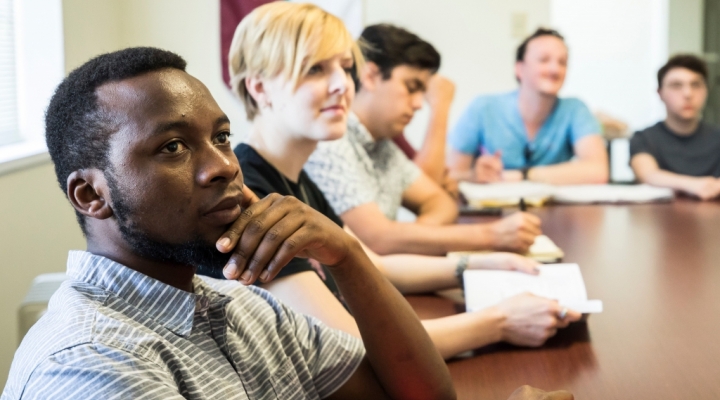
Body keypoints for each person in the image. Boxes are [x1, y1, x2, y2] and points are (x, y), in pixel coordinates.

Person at [2, 46, 456, 400]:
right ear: (91, 195)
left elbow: (422, 394)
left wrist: (346, 255)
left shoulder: (243, 307)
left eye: (221, 137)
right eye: (173, 147)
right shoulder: (91, 363)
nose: (223, 165)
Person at [228, 4, 581, 361]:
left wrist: (482, 264)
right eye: (315, 69)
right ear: (259, 87)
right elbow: (350, 344)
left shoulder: (298, 180)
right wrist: (500, 322)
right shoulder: (249, 194)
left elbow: (373, 265)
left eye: (346, 68)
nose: (343, 84)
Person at [304, 24, 543, 257]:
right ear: (371, 76)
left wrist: (409, 242)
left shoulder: (383, 144)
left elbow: (441, 203)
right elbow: (378, 238)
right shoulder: (330, 141)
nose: (419, 104)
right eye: (411, 87)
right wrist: (493, 235)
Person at [447, 28, 608, 185]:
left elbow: (598, 171)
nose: (555, 69)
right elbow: (451, 174)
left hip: (553, 210)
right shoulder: (483, 108)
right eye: (544, 60)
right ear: (519, 68)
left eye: (562, 62)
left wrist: (523, 175)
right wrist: (474, 175)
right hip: (495, 209)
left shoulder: (575, 109)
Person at [630, 54, 720, 200]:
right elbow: (647, 175)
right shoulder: (643, 138)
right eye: (676, 85)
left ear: (706, 91)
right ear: (660, 93)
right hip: (660, 219)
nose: (688, 94)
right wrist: (695, 185)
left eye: (696, 85)